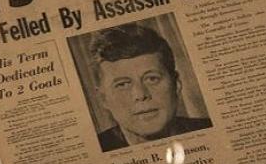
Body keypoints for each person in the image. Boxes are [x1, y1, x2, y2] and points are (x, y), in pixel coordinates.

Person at [88, 23, 212, 151]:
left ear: (176, 84)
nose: (140, 94)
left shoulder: (210, 128)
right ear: (103, 98)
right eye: (122, 84)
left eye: (152, 79)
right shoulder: (95, 149)